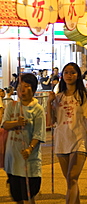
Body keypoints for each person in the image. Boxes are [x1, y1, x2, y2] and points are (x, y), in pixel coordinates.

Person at [47, 62, 87, 203]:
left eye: (72, 72)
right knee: (70, 181)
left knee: (72, 177)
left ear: (78, 76)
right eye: (66, 72)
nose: (69, 75)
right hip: (62, 141)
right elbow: (51, 121)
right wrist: (49, 103)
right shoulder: (58, 97)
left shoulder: (84, 96)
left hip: (79, 141)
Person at [1, 73, 46, 203]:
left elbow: (38, 133)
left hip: (29, 158)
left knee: (30, 193)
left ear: (33, 89)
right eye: (20, 86)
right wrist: (16, 123)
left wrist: (30, 149)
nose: (22, 89)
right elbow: (4, 124)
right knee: (16, 194)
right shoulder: (12, 105)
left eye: (26, 86)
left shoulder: (37, 109)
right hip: (13, 157)